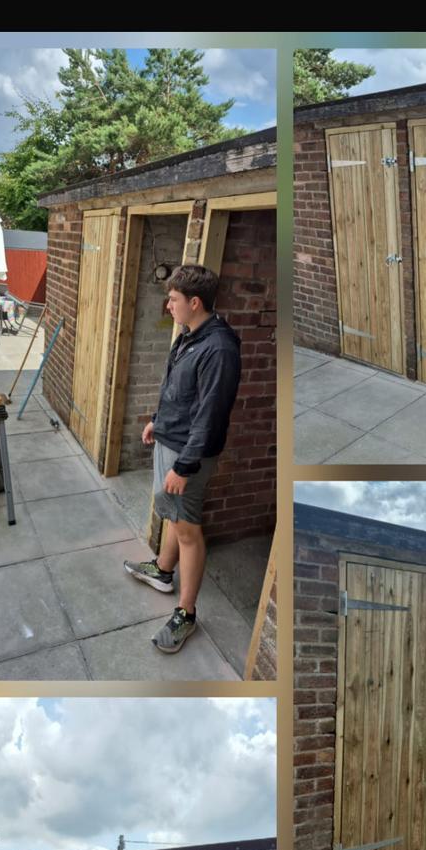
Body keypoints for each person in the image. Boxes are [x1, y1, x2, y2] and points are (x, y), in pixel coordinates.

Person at [124, 264, 241, 654]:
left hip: (188, 453)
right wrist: (157, 422)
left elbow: (210, 414)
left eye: (173, 299)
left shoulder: (219, 348)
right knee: (173, 513)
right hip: (171, 441)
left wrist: (185, 465)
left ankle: (186, 614)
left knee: (188, 528)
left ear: (194, 302)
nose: (168, 304)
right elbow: (179, 390)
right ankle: (162, 570)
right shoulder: (190, 335)